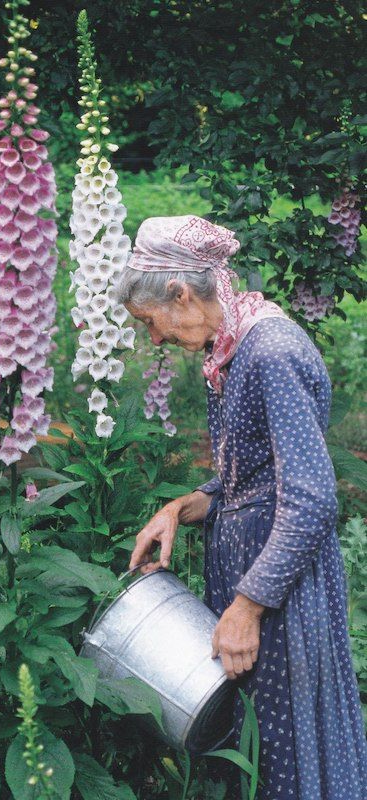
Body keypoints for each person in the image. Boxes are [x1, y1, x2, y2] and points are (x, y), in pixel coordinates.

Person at [115, 216, 367, 799]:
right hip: (254, 593)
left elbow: (309, 500)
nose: (153, 339)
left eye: (149, 322)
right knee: (253, 752)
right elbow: (251, 476)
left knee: (286, 756)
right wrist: (184, 505)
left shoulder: (270, 353)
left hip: (282, 600)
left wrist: (247, 608)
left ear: (180, 294)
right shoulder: (228, 348)